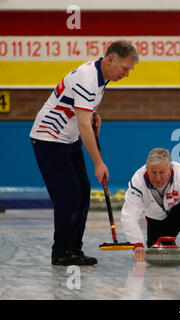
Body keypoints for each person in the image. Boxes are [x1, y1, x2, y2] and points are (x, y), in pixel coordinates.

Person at [30, 40, 139, 266]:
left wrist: (93, 115)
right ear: (111, 59)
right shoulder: (87, 77)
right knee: (68, 197)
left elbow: (82, 112)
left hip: (68, 139)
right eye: (125, 68)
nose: (127, 74)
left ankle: (74, 249)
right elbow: (82, 125)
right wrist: (98, 163)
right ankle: (61, 252)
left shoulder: (102, 77)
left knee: (83, 194)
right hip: (49, 139)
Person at [121, 148, 180, 262]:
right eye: (153, 172)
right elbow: (129, 215)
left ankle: (167, 238)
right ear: (147, 168)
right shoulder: (137, 181)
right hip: (154, 217)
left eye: (162, 172)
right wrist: (137, 244)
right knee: (155, 248)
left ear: (170, 169)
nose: (158, 178)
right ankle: (165, 240)